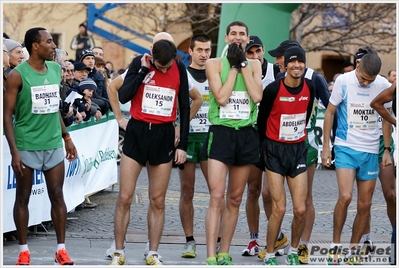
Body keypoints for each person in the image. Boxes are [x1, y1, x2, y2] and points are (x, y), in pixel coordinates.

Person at [109, 34, 190, 265]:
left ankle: (152, 252)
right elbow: (123, 95)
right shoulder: (139, 63)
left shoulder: (179, 68)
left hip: (163, 135)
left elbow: (184, 105)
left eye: (167, 66)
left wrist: (182, 144)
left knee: (158, 199)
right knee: (124, 197)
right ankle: (118, 251)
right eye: (160, 66)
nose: (164, 70)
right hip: (137, 133)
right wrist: (144, 72)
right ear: (152, 56)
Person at [3, 27, 77, 265]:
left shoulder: (55, 70)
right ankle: (24, 250)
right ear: (35, 46)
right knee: (22, 197)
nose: (54, 46)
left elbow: (54, 108)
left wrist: (66, 137)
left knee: (57, 195)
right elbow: (7, 115)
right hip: (26, 146)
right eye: (49, 42)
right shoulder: (17, 75)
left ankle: (61, 250)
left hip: (53, 143)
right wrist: (14, 152)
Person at [260, 39, 331, 264]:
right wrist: (266, 148)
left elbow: (307, 113)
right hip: (274, 150)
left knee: (300, 209)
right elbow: (262, 122)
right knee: (279, 208)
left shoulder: (310, 87)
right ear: (286, 65)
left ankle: (293, 249)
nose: (297, 65)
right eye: (293, 62)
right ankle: (270, 253)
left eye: (301, 61)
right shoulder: (273, 89)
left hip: (298, 149)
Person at [321, 48, 392, 265]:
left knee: (365, 205)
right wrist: (326, 147)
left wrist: (387, 149)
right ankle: (335, 245)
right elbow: (330, 112)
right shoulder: (343, 80)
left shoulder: (383, 85)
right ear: (357, 66)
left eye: (369, 81)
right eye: (362, 79)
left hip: (370, 150)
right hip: (345, 146)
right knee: (345, 197)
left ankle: (353, 249)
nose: (364, 83)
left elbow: (386, 118)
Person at [202, 21, 263, 265]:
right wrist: (235, 69)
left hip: (246, 134)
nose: (238, 37)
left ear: (248, 39)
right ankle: (210, 254)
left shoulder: (256, 64)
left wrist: (244, 66)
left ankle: (225, 251)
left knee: (235, 198)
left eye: (242, 34)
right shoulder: (213, 64)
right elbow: (222, 97)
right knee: (217, 196)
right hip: (222, 133)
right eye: (234, 34)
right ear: (226, 38)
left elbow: (257, 96)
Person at [241, 35, 279, 257]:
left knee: (270, 193)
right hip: (252, 135)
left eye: (258, 51)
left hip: (273, 137)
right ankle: (253, 239)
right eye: (250, 52)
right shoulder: (243, 71)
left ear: (263, 50)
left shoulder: (276, 72)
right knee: (252, 190)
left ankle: (275, 238)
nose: (255, 56)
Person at [177, 34, 211, 259]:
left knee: (217, 192)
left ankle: (216, 238)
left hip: (211, 137)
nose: (204, 54)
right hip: (188, 138)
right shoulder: (181, 73)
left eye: (207, 50)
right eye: (199, 50)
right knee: (187, 191)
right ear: (190, 51)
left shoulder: (215, 72)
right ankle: (190, 240)